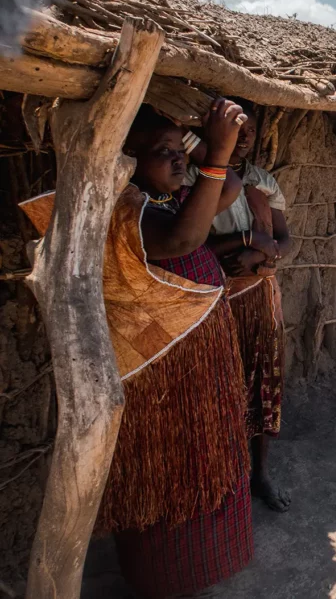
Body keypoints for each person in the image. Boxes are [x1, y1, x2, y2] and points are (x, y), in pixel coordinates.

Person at [111, 101, 252, 597]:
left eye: (180, 151)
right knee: (169, 471)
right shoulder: (129, 208)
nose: (177, 161)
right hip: (161, 376)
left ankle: (199, 570)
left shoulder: (169, 199)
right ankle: (162, 580)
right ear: (126, 158)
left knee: (205, 460)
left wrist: (199, 149)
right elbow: (183, 239)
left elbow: (230, 187)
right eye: (162, 152)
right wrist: (213, 151)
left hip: (196, 367)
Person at [191, 105, 293, 513]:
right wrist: (247, 242)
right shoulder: (195, 179)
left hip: (261, 295)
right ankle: (223, 476)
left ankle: (260, 474)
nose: (246, 136)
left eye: (251, 129)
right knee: (220, 387)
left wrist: (264, 259)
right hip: (216, 299)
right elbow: (190, 243)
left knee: (262, 383)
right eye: (237, 128)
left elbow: (285, 240)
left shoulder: (262, 181)